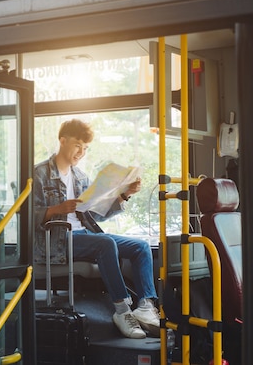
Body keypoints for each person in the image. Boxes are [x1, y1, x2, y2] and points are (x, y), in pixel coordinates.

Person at [33, 119, 160, 339]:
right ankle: (122, 310)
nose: (81, 152)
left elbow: (96, 212)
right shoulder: (39, 174)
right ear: (62, 141)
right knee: (105, 244)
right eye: (77, 145)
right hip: (55, 241)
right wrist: (57, 209)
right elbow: (27, 215)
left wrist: (124, 194)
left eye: (85, 148)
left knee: (140, 247)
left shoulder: (80, 177)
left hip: (84, 235)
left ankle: (146, 306)